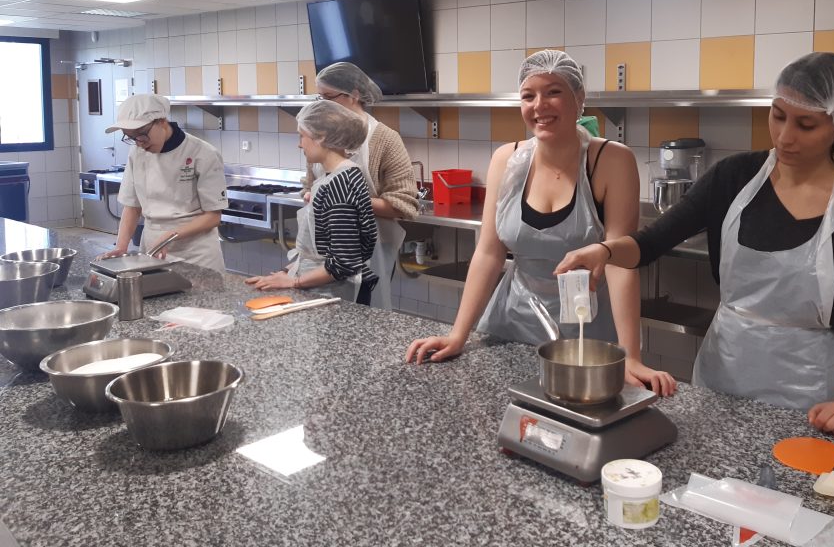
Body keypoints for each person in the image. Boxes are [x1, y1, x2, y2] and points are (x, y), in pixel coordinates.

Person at [557, 52, 834, 437]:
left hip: (812, 397)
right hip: (721, 378)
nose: (785, 136)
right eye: (778, 116)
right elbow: (652, 242)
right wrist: (605, 251)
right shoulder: (733, 177)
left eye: (806, 125)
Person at [405, 50, 676, 396]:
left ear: (579, 99)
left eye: (553, 92)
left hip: (585, 333)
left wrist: (631, 356)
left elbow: (619, 263)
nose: (539, 106)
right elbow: (489, 253)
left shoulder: (611, 160)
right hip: (509, 325)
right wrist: (459, 333)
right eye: (528, 95)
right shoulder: (507, 159)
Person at [309, 63, 418, 309]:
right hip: (323, 248)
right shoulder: (320, 134)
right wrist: (312, 195)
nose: (322, 104)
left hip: (374, 248)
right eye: (319, 97)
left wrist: (344, 200)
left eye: (328, 97)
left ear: (354, 95)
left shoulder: (384, 138)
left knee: (367, 316)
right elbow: (309, 185)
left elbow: (404, 204)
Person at [247, 101, 378, 301]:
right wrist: (288, 272)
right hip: (326, 291)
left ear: (322, 137)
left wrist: (293, 282)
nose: (300, 144)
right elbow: (324, 249)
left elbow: (343, 262)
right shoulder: (337, 176)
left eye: (302, 136)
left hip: (336, 296)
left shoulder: (340, 183)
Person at [101, 94, 227, 271]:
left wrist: (170, 236)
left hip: (196, 253)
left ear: (161, 121)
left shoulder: (202, 153)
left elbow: (213, 216)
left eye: (142, 135)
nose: (139, 143)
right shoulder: (136, 153)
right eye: (131, 137)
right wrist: (121, 247)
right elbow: (132, 206)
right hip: (153, 249)